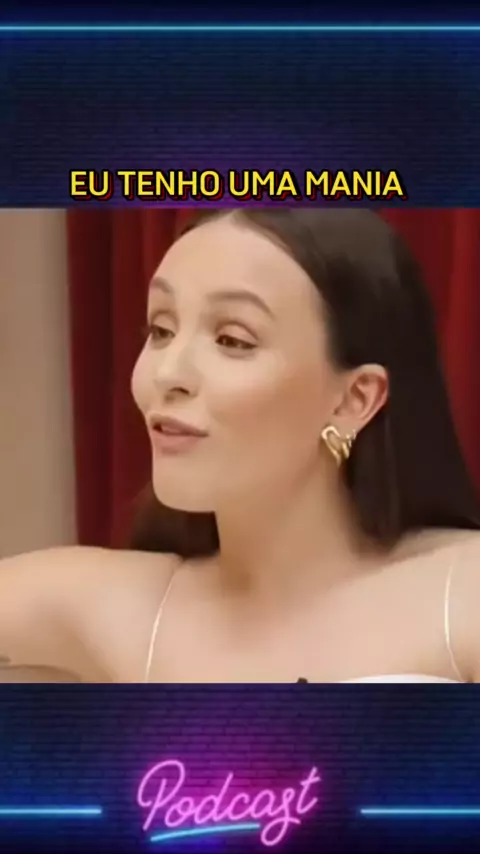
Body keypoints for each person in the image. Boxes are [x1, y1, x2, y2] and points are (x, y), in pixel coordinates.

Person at [1, 208, 480, 684]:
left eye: (232, 340)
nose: (166, 374)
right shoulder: (115, 609)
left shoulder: (458, 593)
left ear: (354, 399)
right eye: (161, 330)